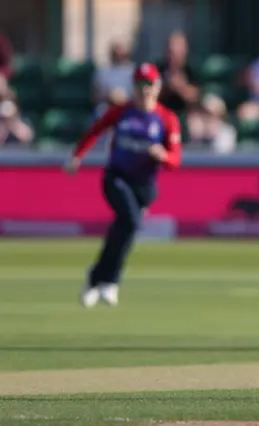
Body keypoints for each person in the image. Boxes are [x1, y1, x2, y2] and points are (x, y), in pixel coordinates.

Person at [64, 63, 182, 308]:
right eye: (139, 84)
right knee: (130, 221)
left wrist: (162, 155)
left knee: (123, 229)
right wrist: (77, 155)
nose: (143, 89)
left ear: (157, 86)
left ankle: (96, 278)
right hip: (116, 177)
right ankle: (111, 281)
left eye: (148, 84)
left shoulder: (166, 118)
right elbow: (95, 130)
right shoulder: (122, 112)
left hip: (144, 185)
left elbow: (175, 160)